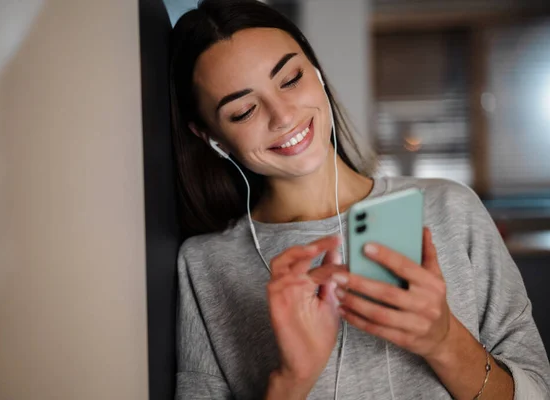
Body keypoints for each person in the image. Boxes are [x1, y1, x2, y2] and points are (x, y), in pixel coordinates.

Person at [169, 1, 550, 399]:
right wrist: (291, 381)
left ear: (315, 72)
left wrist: (445, 342)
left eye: (291, 79)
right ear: (210, 137)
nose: (282, 116)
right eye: (244, 110)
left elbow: (537, 390)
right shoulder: (203, 265)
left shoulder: (450, 208)